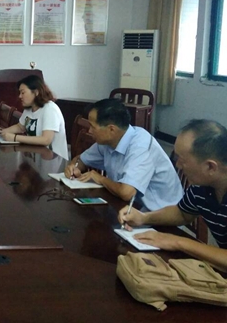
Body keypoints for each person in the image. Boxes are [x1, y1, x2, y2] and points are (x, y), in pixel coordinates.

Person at [119, 119, 227, 270]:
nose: (177, 165)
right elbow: (182, 213)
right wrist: (143, 218)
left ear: (210, 167)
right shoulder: (202, 187)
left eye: (182, 160)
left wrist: (178, 242)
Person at [64, 98, 183, 211]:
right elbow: (81, 160)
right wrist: (74, 167)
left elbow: (126, 193)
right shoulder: (108, 141)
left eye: (93, 127)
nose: (89, 131)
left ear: (111, 129)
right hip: (131, 208)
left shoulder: (140, 146)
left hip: (162, 215)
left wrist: (100, 179)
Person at [0, 75, 69, 160]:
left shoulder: (50, 109)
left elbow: (46, 140)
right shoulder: (29, 108)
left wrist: (14, 138)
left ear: (36, 92)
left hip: (51, 160)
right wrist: (2, 131)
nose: (20, 96)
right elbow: (20, 127)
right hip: (36, 155)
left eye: (23, 92)